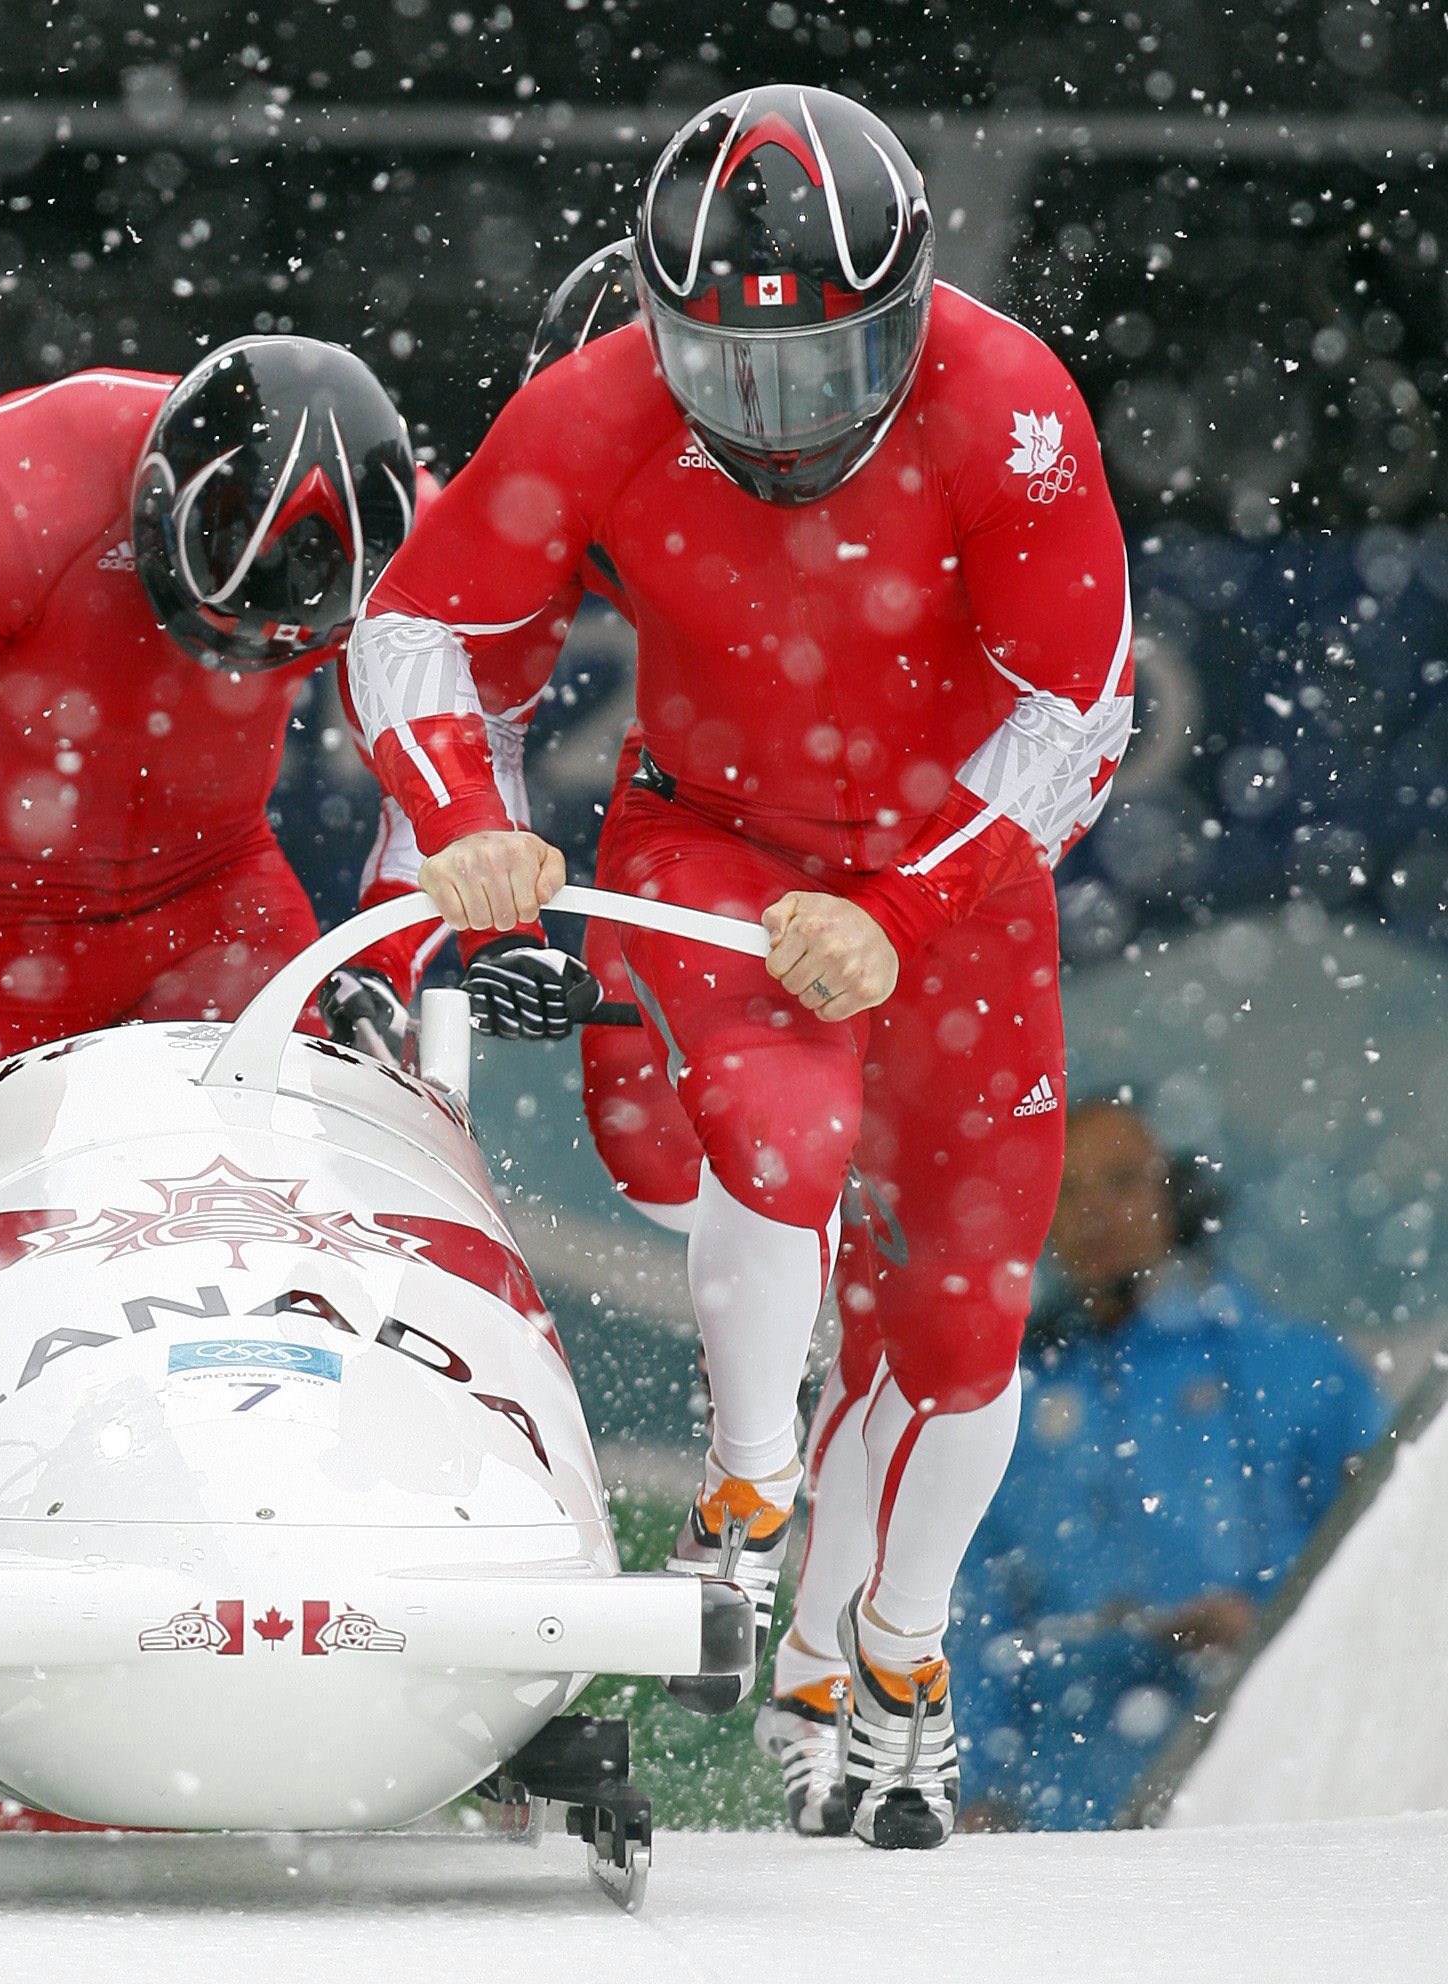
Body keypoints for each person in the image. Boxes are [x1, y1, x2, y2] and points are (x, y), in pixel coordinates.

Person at [347, 84, 1133, 1848]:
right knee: (776, 1138)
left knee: (961, 1322)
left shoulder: (1009, 407)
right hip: (715, 839)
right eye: (725, 367)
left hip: (951, 883)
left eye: (824, 365)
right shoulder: (596, 400)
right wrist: (462, 813)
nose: (777, 415)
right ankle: (750, 1489)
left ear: (910, 314)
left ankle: (892, 1655)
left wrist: (904, 913)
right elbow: (415, 629)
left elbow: (1076, 713)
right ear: (653, 320)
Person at [0, 335, 555, 1074]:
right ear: (158, 507)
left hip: (219, 896)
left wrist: (389, 961)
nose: (242, 658)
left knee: (292, 1150)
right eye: (223, 624)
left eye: (283, 643)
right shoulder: (8, 485)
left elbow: (449, 766)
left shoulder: (416, 536)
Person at [951, 1099, 1387, 1830]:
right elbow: (975, 1617)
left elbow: (1384, 1556)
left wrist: (1266, 1618)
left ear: (1179, 1197)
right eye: (1066, 1190)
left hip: (1276, 1800)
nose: (1093, 1212)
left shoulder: (1298, 1369)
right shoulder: (1010, 1405)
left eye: (1120, 1181)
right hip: (1067, 1824)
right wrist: (975, 1791)